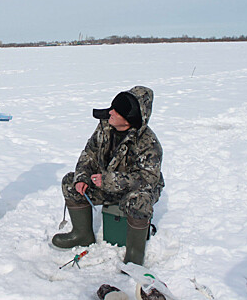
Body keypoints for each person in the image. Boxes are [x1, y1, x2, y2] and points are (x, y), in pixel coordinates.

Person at [52, 86, 164, 265]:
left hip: (134, 191)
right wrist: (82, 177)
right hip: (104, 183)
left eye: (116, 111)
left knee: (139, 201)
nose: (110, 112)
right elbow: (89, 153)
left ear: (128, 119)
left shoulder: (149, 144)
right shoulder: (105, 126)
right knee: (69, 181)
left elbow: (148, 179)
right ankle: (82, 234)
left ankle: (135, 255)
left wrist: (110, 181)